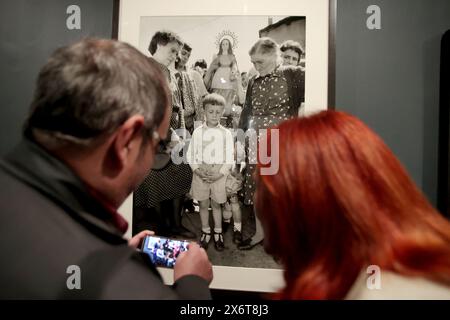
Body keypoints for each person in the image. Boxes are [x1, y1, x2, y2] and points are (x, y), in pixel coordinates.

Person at [0, 38, 213, 299]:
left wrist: (111, 251)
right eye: (159, 141)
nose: (155, 156)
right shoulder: (118, 285)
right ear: (127, 142)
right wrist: (193, 285)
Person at [254, 110, 450, 299]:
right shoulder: (365, 281)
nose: (256, 201)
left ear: (299, 202)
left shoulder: (385, 294)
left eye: (260, 187)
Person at [237, 37, 305, 250]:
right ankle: (259, 233)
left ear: (275, 56)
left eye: (260, 62)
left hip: (281, 141)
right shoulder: (253, 80)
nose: (256, 67)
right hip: (255, 141)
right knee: (258, 188)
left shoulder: (293, 74)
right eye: (253, 62)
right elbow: (247, 110)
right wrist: (239, 139)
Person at [133, 31, 196, 239]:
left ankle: (175, 225)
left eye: (177, 52)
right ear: (159, 44)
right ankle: (161, 227)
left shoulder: (167, 72)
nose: (176, 56)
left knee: (181, 174)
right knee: (154, 181)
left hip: (171, 133)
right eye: (173, 50)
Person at [186, 93, 234, 251]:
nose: (215, 115)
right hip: (201, 173)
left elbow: (229, 157)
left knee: (216, 204)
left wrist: (220, 173)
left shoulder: (226, 133)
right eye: (211, 111)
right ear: (204, 111)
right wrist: (198, 171)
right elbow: (190, 154)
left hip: (218, 174)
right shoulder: (198, 132)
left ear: (223, 112)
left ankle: (218, 233)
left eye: (218, 112)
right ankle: (206, 231)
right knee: (203, 203)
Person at [204, 37, 240, 112]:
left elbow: (234, 65)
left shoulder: (232, 56)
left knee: (228, 96)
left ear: (229, 45)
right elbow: (212, 66)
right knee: (217, 97)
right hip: (218, 78)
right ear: (221, 46)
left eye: (226, 44)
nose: (225, 45)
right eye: (223, 44)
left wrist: (233, 71)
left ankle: (227, 111)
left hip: (229, 78)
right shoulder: (218, 57)